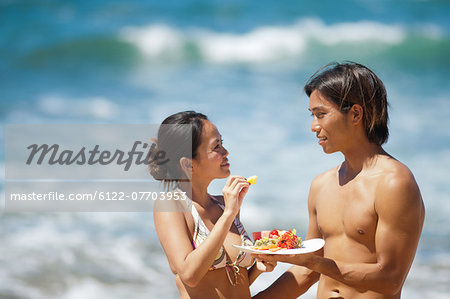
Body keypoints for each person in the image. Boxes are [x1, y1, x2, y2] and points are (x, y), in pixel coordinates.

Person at [254, 62, 425, 298]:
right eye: (313, 115)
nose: (314, 126)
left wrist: (314, 262)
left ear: (355, 114)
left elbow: (390, 279)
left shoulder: (394, 183)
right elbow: (308, 273)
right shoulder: (321, 185)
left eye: (321, 114)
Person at [151, 111, 276, 298]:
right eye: (216, 147)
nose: (226, 152)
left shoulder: (223, 204)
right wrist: (229, 215)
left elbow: (228, 283)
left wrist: (257, 269)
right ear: (188, 164)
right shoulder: (171, 205)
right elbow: (190, 275)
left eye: (222, 143)